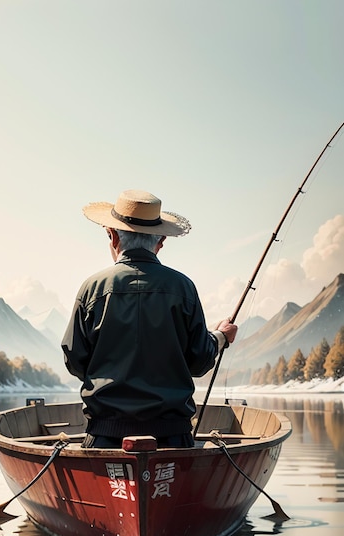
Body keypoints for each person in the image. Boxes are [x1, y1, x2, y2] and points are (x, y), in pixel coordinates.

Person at [62, 189, 237, 448]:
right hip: (173, 436)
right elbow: (199, 362)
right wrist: (221, 337)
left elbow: (75, 361)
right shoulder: (183, 288)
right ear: (161, 241)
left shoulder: (93, 288)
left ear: (112, 236)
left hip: (105, 435)